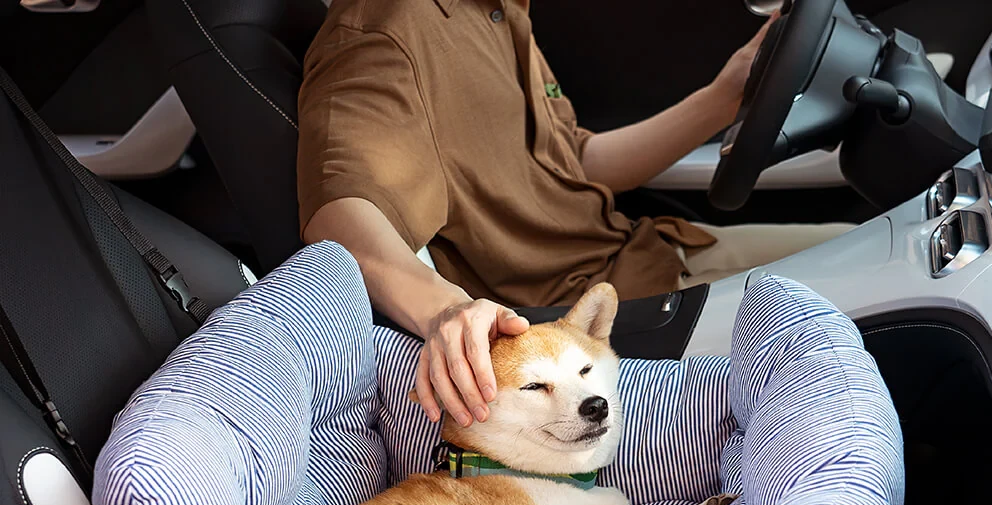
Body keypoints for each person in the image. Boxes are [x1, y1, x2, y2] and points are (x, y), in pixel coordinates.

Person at [297, 2, 851, 428]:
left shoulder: (498, 9)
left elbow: (574, 160)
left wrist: (727, 92)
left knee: (871, 240)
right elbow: (339, 213)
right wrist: (448, 311)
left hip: (650, 251)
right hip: (608, 318)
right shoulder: (381, 37)